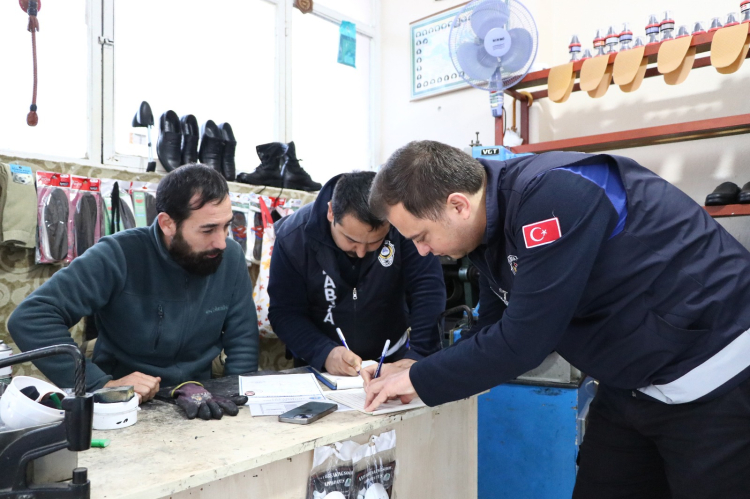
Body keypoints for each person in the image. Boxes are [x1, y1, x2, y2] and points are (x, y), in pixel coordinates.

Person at [363, 140, 750, 498]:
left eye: (422, 236)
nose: (422, 251)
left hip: (713, 370)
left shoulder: (554, 195)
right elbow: (492, 327)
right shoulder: (486, 230)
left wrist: (419, 380)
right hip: (632, 381)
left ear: (458, 205)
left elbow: (525, 340)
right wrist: (419, 367)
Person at [9, 164, 259, 406]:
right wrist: (99, 385)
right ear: (168, 224)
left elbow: (243, 338)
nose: (221, 242)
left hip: (200, 395)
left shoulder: (230, 256)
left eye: (226, 226)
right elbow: (31, 318)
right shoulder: (117, 254)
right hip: (128, 402)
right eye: (208, 230)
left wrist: (235, 395)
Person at [268, 171, 445, 376]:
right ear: (331, 212)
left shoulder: (404, 227)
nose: (361, 252)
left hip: (394, 359)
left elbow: (428, 290)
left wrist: (418, 355)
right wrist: (324, 352)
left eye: (374, 242)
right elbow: (285, 311)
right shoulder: (293, 237)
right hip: (319, 365)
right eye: (351, 240)